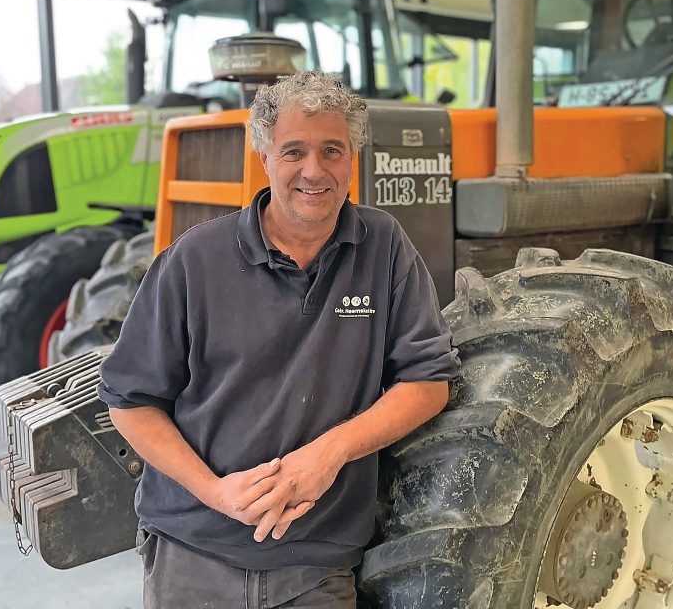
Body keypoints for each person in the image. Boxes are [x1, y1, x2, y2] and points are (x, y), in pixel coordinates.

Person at [98, 70, 458, 608]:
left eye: (331, 150)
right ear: (264, 157)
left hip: (316, 566)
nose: (314, 170)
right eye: (294, 152)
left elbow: (428, 381)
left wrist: (329, 454)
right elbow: (130, 402)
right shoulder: (192, 261)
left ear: (352, 159)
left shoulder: (383, 247)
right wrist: (216, 493)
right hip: (193, 555)